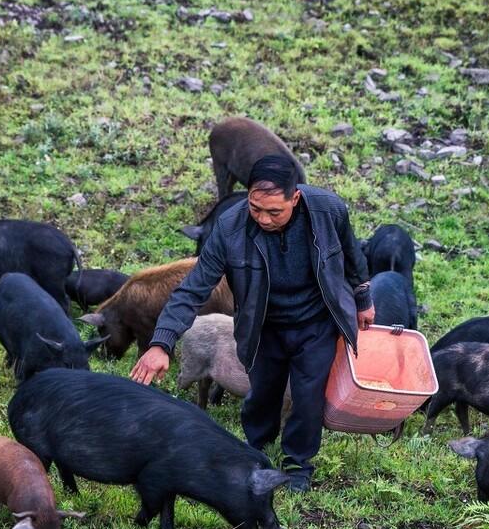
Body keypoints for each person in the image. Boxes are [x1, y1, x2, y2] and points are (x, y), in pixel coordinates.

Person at [131, 154, 374, 492]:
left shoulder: (328, 210)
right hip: (263, 324)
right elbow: (193, 288)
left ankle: (298, 464)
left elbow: (352, 256)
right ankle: (255, 447)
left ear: (296, 198)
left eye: (275, 211)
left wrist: (363, 299)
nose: (263, 218)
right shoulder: (230, 228)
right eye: (255, 208)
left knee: (307, 397)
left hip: (317, 322)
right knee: (262, 392)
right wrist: (161, 343)